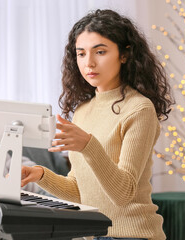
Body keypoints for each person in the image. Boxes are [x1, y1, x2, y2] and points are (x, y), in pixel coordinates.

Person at [21, 9, 173, 240]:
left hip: (133, 235)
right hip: (90, 233)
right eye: (81, 54)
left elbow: (123, 193)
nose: (89, 63)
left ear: (124, 54)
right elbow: (79, 190)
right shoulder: (82, 111)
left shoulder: (139, 109)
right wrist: (40, 175)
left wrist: (88, 146)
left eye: (100, 52)